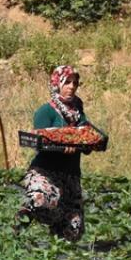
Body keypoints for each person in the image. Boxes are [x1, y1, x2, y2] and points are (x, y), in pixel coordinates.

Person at [19, 65, 93, 241]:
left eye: (75, 83)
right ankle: (23, 218)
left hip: (71, 175)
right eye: (67, 82)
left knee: (73, 229)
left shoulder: (78, 111)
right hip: (47, 172)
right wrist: (62, 145)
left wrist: (85, 143)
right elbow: (40, 142)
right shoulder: (45, 111)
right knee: (41, 202)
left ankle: (58, 258)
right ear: (57, 84)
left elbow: (86, 139)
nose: (72, 87)